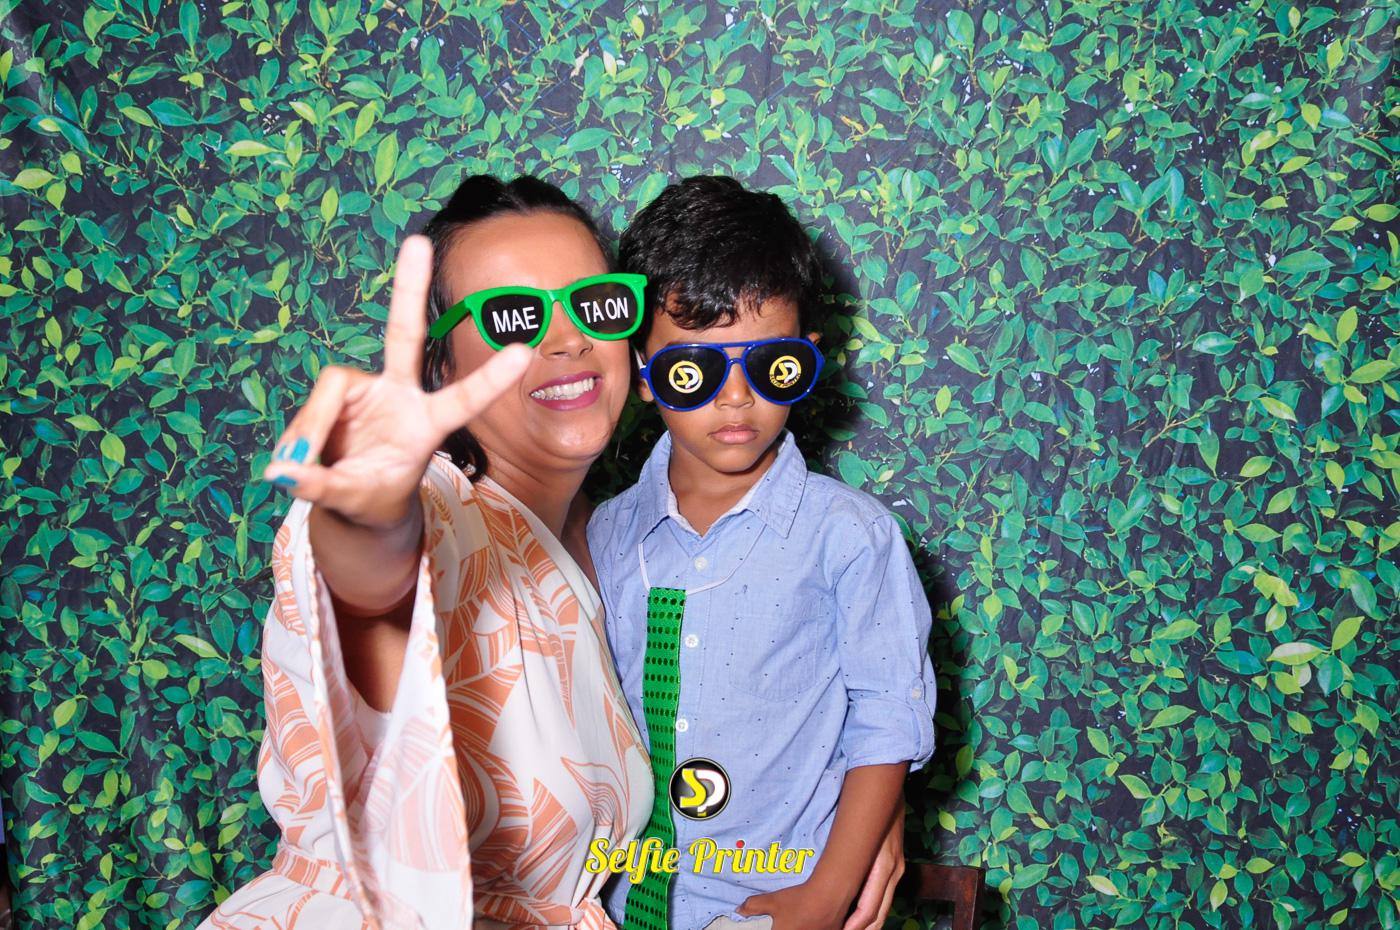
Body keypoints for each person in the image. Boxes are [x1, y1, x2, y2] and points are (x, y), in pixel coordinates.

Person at [199, 176, 655, 930]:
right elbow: (372, 590)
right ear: (442, 368)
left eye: (595, 304)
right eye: (514, 318)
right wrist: (370, 517)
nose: (569, 339)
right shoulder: (440, 507)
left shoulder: (602, 543)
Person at [587, 176, 938, 930]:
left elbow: (886, 719)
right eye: (694, 370)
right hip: (613, 905)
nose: (737, 398)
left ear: (808, 357)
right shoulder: (602, 538)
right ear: (642, 372)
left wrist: (826, 895)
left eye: (770, 364)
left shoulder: (849, 537)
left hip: (776, 903)